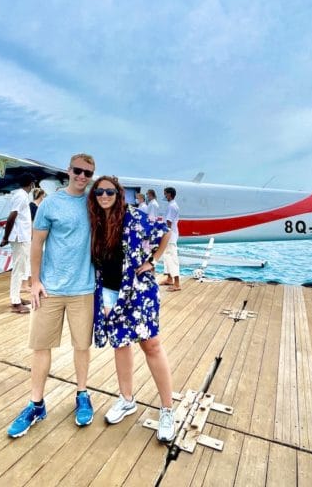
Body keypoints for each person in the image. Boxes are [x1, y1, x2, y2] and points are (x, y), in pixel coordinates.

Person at [7, 153, 97, 438]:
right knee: (41, 347)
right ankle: (36, 404)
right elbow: (37, 243)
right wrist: (34, 282)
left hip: (84, 288)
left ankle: (82, 395)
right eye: (79, 171)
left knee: (82, 346)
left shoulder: (95, 203)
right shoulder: (51, 203)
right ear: (69, 171)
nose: (83, 177)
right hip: (51, 289)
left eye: (88, 173)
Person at [88, 175, 176, 443]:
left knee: (151, 345)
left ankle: (167, 410)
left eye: (110, 192)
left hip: (138, 291)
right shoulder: (97, 222)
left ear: (119, 194)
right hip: (110, 293)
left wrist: (153, 261)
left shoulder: (134, 216)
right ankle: (127, 400)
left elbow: (165, 232)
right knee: (121, 344)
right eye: (99, 192)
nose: (104, 196)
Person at [0, 173, 35, 314]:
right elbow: (12, 216)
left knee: (21, 268)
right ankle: (15, 303)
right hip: (20, 238)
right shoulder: (21, 196)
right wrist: (5, 237)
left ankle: (17, 298)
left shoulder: (22, 195)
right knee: (18, 270)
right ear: (31, 184)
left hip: (23, 237)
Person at [161, 187, 181, 291]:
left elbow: (168, 222)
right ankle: (169, 279)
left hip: (170, 236)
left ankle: (177, 284)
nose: (164, 196)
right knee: (167, 257)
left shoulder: (172, 206)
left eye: (165, 194)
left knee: (172, 258)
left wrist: (165, 235)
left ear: (169, 194)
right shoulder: (172, 205)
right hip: (170, 235)